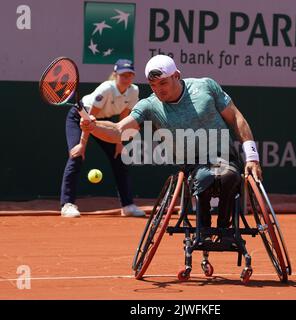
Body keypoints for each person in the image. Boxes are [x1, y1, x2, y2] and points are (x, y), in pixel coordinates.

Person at [80, 54, 262, 231]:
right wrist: (93, 127)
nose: (159, 90)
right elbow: (119, 131)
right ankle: (204, 229)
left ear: (177, 75)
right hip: (192, 164)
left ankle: (224, 227)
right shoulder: (149, 106)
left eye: (163, 83)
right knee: (204, 178)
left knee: (229, 176)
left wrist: (252, 157)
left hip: (224, 156)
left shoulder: (206, 86)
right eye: (153, 85)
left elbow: (236, 117)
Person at [60, 59, 146, 218]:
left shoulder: (134, 91)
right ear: (115, 75)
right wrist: (82, 145)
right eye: (123, 75)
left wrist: (119, 142)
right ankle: (67, 204)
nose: (126, 78)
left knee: (119, 158)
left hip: (100, 121)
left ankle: (127, 205)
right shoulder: (107, 88)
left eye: (130, 75)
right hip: (81, 118)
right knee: (77, 156)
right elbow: (88, 121)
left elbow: (123, 119)